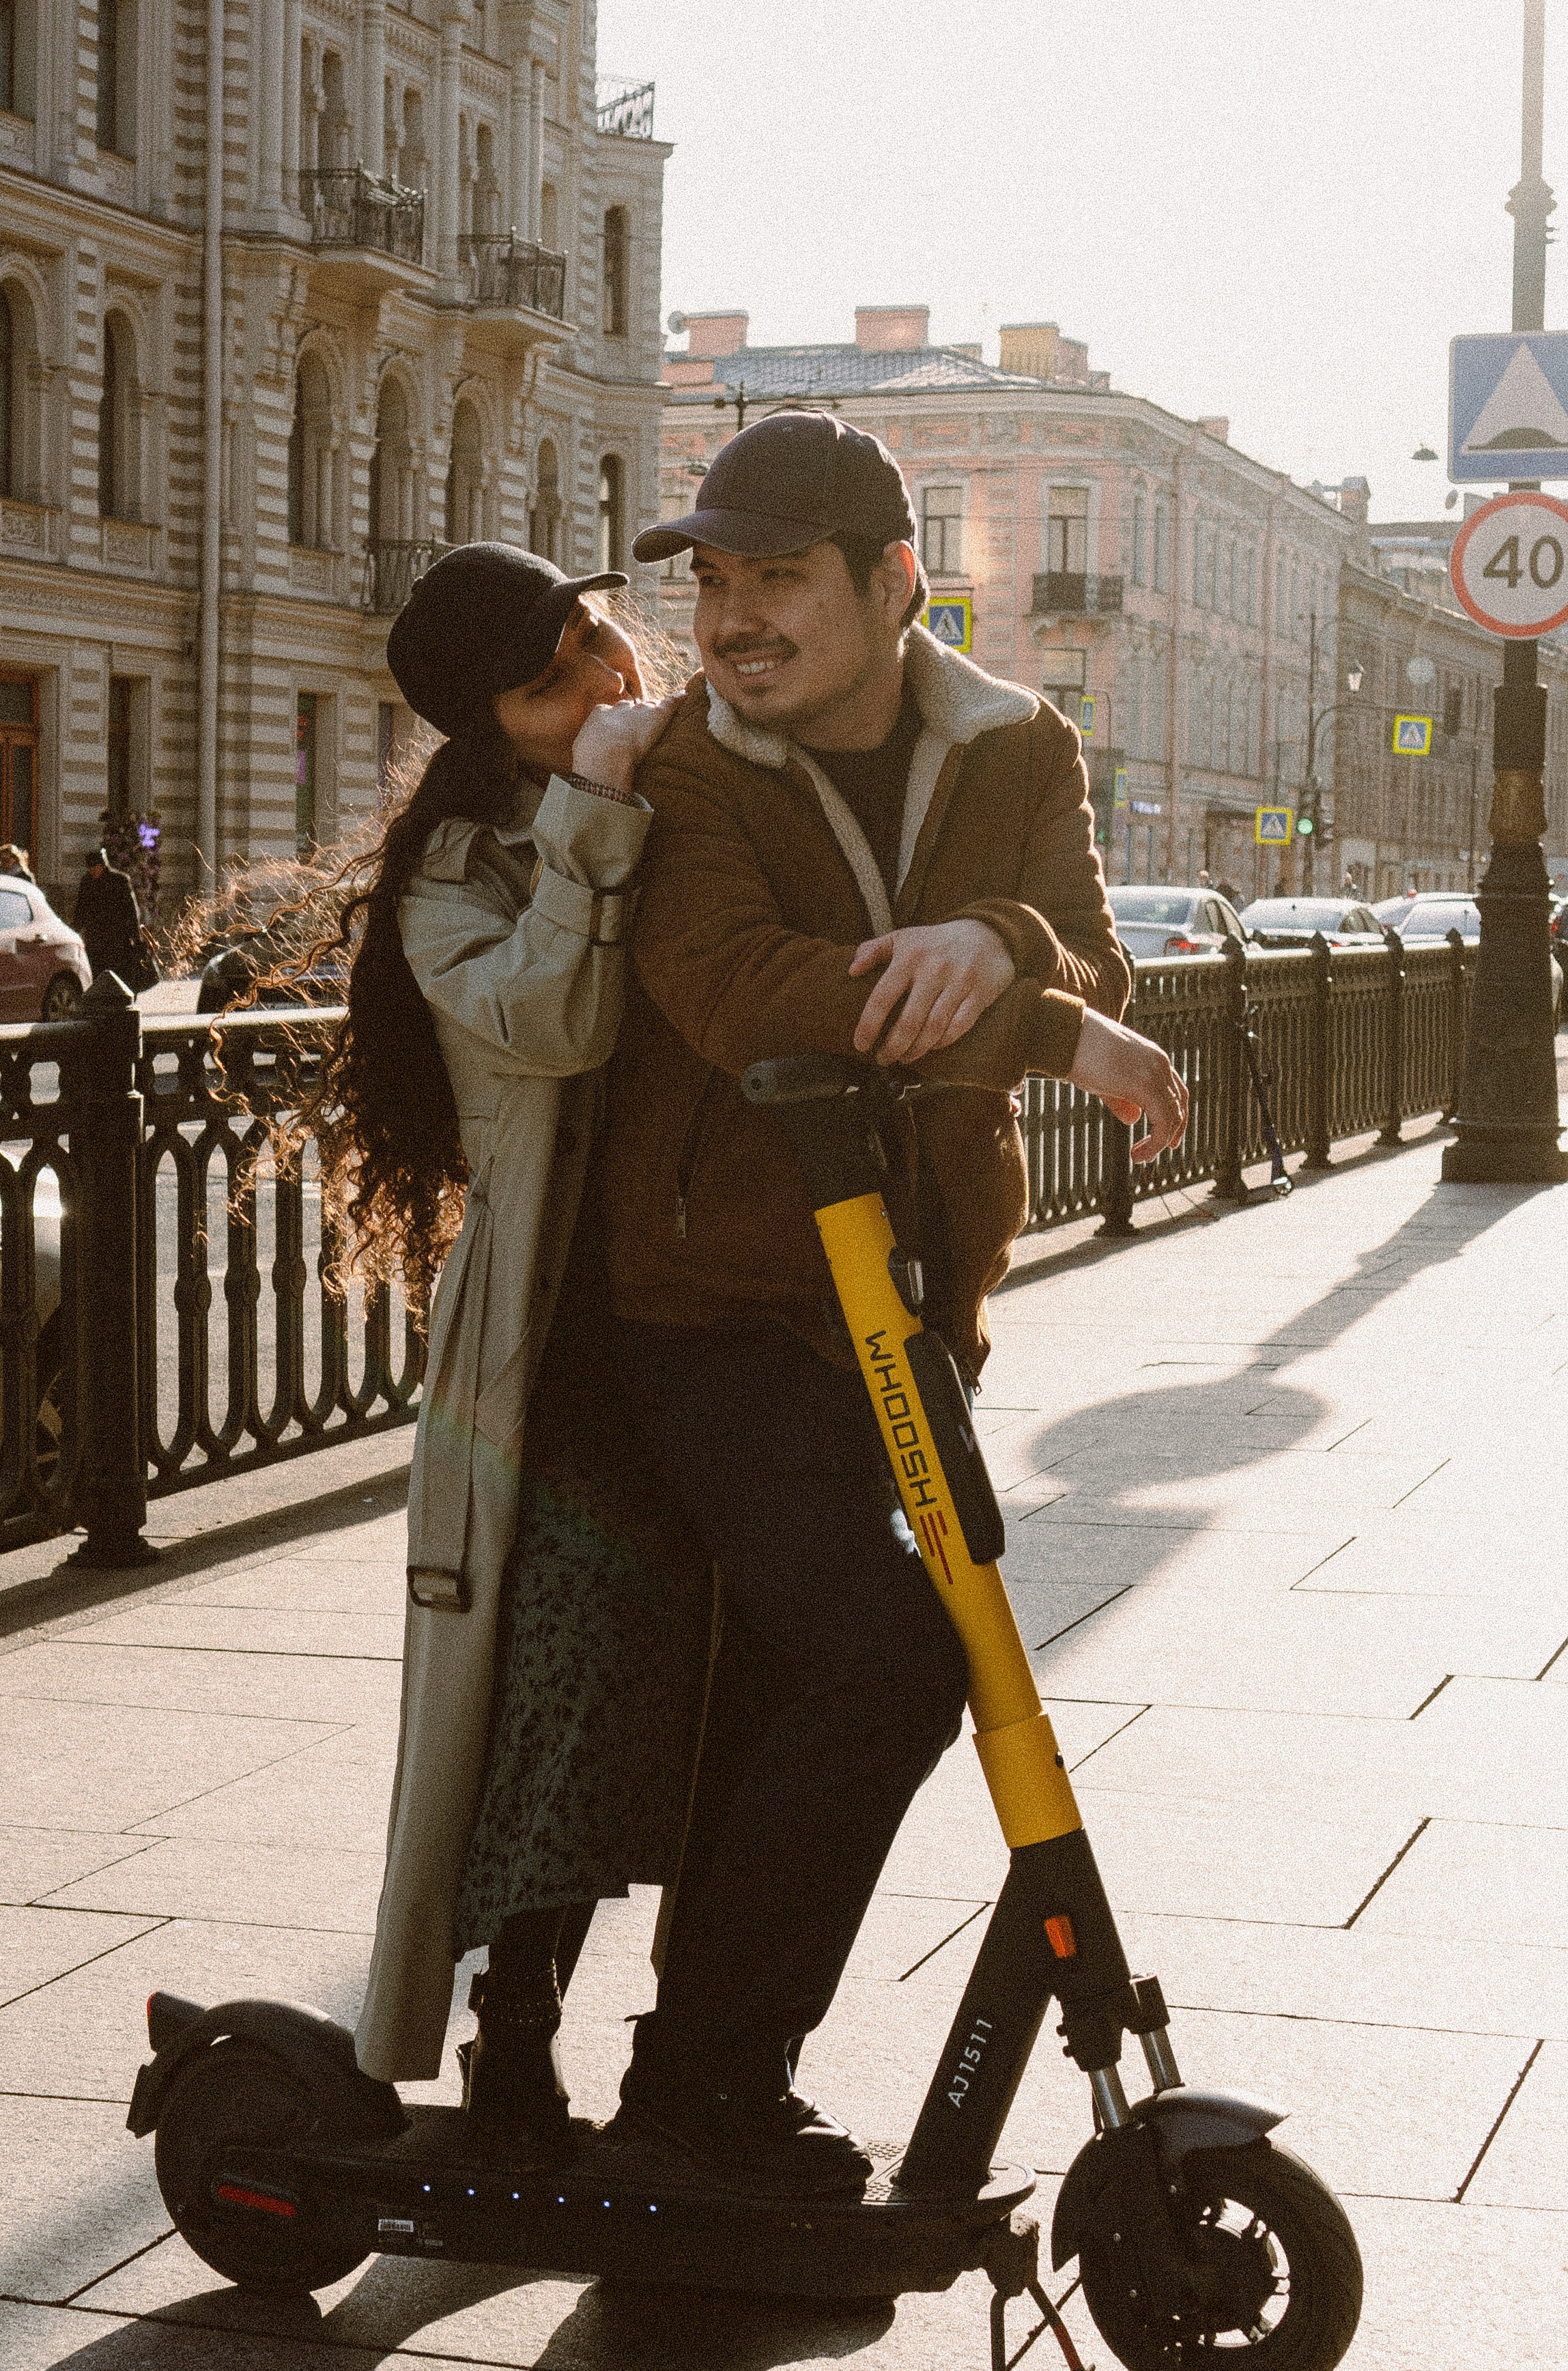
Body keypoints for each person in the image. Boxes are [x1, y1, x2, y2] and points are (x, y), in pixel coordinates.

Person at [593, 411, 1188, 2193]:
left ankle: (703, 2088)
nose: (732, 621)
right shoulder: (691, 767)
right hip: (717, 1296)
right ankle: (701, 2081)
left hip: (915, 1296)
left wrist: (1003, 943)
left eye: (778, 579)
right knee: (887, 1659)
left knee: (799, 1673)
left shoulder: (1017, 744)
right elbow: (738, 990)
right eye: (712, 582)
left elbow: (1093, 946)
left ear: (894, 582)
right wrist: (1049, 1025)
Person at [325, 545, 709, 2160]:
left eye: (598, 640)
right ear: (487, 728)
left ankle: (707, 2062)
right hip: (569, 1348)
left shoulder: (697, 776)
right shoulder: (457, 877)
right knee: (561, 1687)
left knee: (721, 1685)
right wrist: (595, 811)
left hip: (729, 1303)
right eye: (553, 683)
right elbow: (557, 1025)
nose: (608, 684)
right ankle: (518, 2037)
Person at [72, 847, 147, 985]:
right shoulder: (86, 882)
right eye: (90, 868)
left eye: (96, 867)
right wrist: (73, 933)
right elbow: (81, 910)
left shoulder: (119, 881)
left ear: (103, 866)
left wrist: (135, 937)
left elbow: (130, 911)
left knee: (118, 976)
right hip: (95, 938)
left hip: (117, 939)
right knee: (97, 975)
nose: (93, 871)